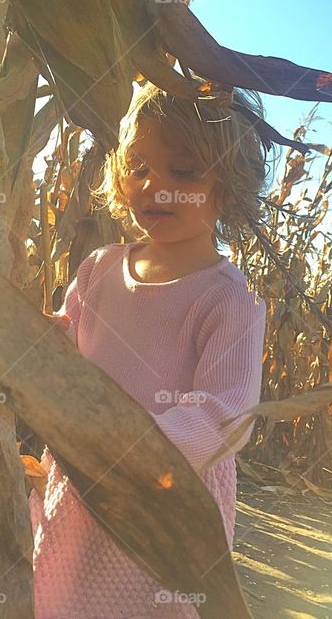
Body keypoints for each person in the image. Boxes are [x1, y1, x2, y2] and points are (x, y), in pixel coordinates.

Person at [31, 80, 273, 618]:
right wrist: (39, 338)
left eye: (182, 172)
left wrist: (131, 440)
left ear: (226, 189)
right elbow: (70, 347)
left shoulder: (228, 297)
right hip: (81, 483)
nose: (154, 186)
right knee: (60, 592)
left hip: (165, 500)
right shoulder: (99, 268)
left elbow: (226, 416)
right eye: (138, 167)